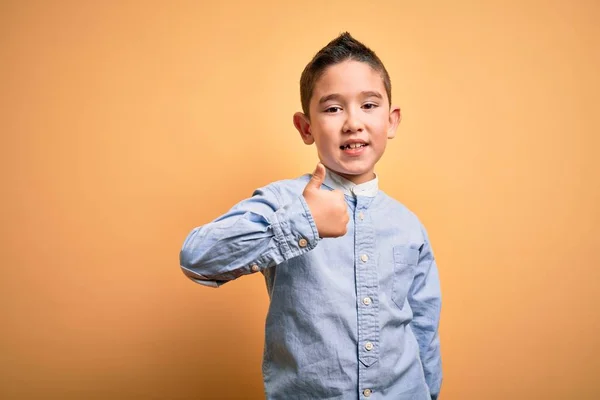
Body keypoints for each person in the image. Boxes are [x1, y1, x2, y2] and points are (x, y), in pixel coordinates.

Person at [179, 32, 442, 400]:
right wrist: (302, 222)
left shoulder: (408, 226)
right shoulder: (284, 202)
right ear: (306, 127)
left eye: (369, 105)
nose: (353, 122)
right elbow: (197, 259)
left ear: (392, 121)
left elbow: (424, 330)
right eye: (333, 108)